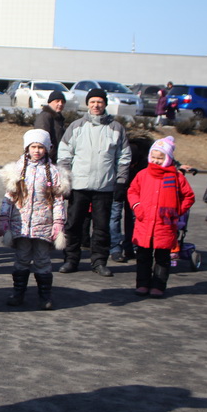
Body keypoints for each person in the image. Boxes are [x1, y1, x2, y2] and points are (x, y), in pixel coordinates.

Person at [58, 88, 132, 277]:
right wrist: (65, 179)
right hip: (79, 185)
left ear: (105, 104)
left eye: (99, 102)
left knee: (101, 226)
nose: (96, 105)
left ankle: (99, 261)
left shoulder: (116, 128)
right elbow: (64, 154)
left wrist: (121, 182)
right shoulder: (76, 126)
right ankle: (71, 259)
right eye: (92, 102)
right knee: (73, 225)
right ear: (87, 104)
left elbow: (124, 157)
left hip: (104, 186)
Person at [0, 129, 69, 309]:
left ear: (46, 149)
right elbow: (9, 196)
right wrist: (4, 218)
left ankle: (45, 296)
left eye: (40, 147)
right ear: (27, 148)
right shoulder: (17, 170)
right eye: (33, 147)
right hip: (20, 224)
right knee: (21, 258)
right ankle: (18, 293)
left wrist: (58, 223)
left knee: (42, 260)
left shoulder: (53, 172)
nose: (37, 150)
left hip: (43, 224)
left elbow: (59, 201)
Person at [127, 136, 195, 297]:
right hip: (145, 223)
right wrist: (137, 207)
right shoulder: (143, 174)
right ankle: (142, 284)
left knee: (163, 258)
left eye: (160, 158)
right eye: (154, 157)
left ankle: (158, 285)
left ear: (168, 158)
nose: (156, 161)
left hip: (165, 225)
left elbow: (189, 197)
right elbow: (132, 191)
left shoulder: (177, 177)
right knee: (143, 256)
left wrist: (177, 211)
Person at [33, 90, 66, 164]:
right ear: (50, 102)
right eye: (57, 101)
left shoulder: (59, 118)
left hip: (56, 158)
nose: (60, 104)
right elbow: (41, 140)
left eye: (62, 102)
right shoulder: (45, 117)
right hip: (47, 160)